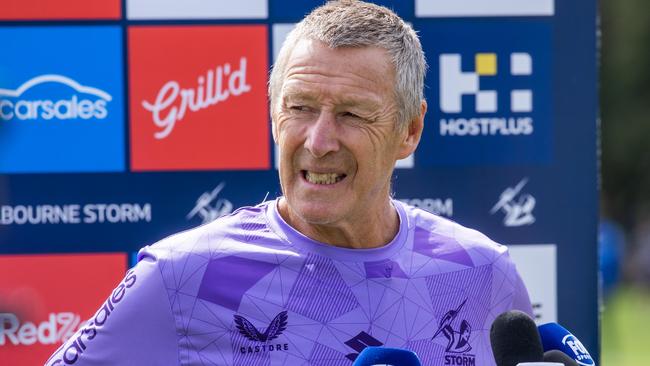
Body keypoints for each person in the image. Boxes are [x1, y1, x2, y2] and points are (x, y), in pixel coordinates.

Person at [46, 1, 532, 365]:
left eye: (351, 114)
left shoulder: (484, 270)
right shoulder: (181, 275)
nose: (319, 141)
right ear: (274, 117)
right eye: (300, 107)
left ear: (410, 130)